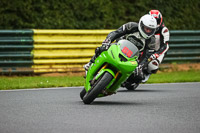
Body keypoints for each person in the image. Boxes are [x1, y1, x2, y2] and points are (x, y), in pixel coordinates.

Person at [84, 14, 157, 78]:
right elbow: (116, 32)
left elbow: (146, 55)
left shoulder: (152, 40)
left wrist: (140, 65)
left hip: (134, 57)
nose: (148, 31)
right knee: (101, 48)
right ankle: (90, 64)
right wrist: (108, 40)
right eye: (146, 28)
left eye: (150, 30)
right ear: (141, 25)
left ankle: (126, 81)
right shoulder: (131, 26)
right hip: (118, 47)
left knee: (139, 75)